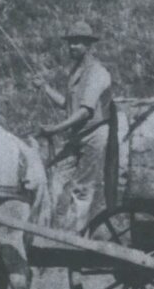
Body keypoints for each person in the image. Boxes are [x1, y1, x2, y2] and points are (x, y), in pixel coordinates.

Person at [39, 19, 115, 233]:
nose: (72, 47)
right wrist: (44, 88)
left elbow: (85, 112)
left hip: (94, 136)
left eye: (77, 43)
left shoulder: (98, 74)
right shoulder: (75, 73)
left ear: (89, 46)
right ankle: (51, 229)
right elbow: (68, 104)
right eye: (70, 42)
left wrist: (56, 129)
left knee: (82, 188)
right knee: (55, 176)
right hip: (77, 135)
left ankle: (76, 237)